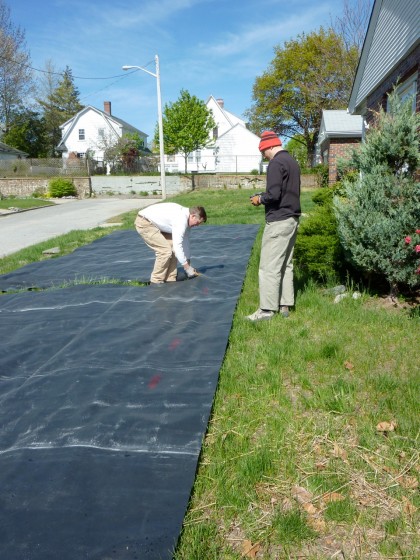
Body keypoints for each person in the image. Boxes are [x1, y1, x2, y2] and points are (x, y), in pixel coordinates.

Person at [246, 131, 301, 322]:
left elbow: (274, 195)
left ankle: (266, 310)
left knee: (268, 267)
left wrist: (259, 198)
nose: (263, 156)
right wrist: (265, 194)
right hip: (292, 218)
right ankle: (285, 305)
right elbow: (284, 191)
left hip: (278, 220)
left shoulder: (276, 163)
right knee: (286, 264)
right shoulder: (292, 162)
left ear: (269, 147)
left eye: (263, 152)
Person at [135, 203, 207, 283]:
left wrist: (188, 263)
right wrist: (186, 267)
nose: (197, 225)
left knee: (172, 248)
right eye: (197, 222)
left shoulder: (187, 220)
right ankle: (156, 281)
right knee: (165, 251)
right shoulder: (181, 220)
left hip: (158, 225)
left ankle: (170, 278)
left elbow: (185, 241)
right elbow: (178, 245)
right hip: (145, 222)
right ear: (193, 216)